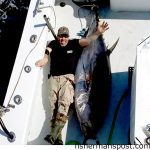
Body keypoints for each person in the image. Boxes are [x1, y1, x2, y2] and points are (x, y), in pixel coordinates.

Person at [35, 21, 109, 145]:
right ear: (57, 36)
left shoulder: (74, 43)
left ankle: (53, 135)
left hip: (68, 79)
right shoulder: (53, 43)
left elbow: (89, 41)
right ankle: (58, 138)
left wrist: (98, 32)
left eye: (65, 36)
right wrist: (45, 58)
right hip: (53, 79)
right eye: (60, 36)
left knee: (64, 104)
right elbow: (48, 50)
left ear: (68, 37)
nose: (62, 39)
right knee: (53, 108)